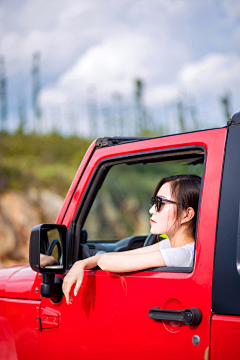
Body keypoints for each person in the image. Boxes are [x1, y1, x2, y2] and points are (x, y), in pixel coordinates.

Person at [62, 174, 201, 304]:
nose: (152, 210)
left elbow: (106, 262)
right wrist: (82, 263)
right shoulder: (173, 246)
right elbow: (123, 255)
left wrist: (92, 260)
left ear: (187, 214)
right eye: (153, 202)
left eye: (160, 203)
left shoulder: (183, 254)